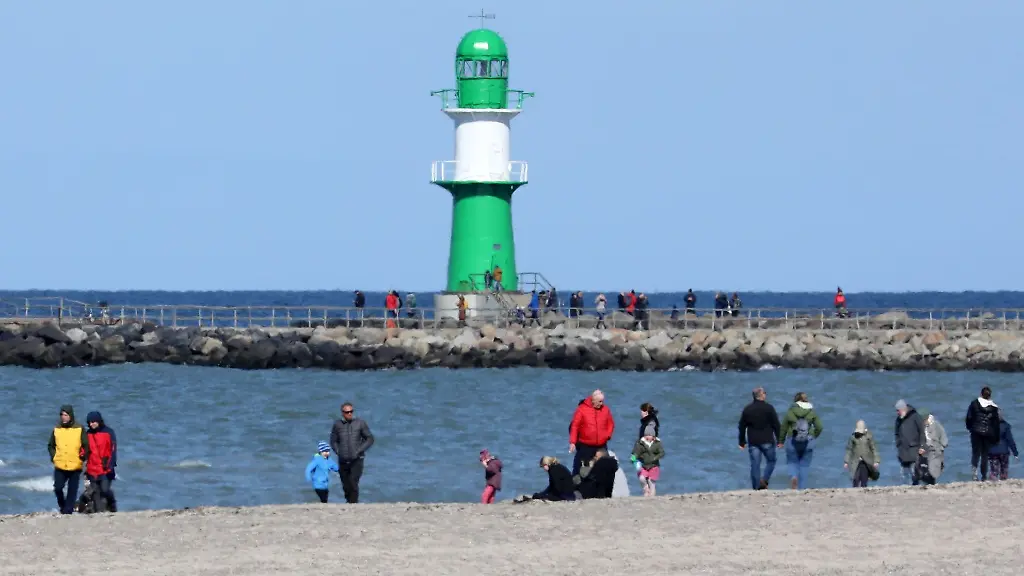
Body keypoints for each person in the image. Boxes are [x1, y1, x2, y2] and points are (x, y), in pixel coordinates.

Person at [329, 402, 375, 503]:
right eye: (347, 412)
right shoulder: (337, 425)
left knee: (353, 482)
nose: (349, 414)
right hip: (343, 459)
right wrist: (338, 451)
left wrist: (359, 450)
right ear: (342, 413)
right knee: (346, 484)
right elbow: (333, 441)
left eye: (351, 411)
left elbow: (370, 438)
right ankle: (349, 501)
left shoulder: (360, 423)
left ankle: (353, 504)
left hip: (357, 459)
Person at [47, 404, 89, 514]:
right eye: (62, 415)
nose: (63, 417)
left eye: (66, 415)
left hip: (75, 464)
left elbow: (86, 445)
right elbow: (50, 445)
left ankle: (68, 511)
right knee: (58, 488)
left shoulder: (79, 428)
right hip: (60, 464)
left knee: (72, 490)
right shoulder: (57, 429)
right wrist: (54, 457)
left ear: (70, 415)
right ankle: (63, 506)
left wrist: (83, 457)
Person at [738, 387, 781, 490]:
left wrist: (742, 441)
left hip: (753, 441)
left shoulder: (747, 409)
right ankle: (764, 479)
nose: (765, 394)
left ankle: (756, 487)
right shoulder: (769, 408)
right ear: (761, 395)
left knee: (755, 465)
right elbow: (776, 425)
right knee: (771, 461)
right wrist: (780, 439)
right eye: (765, 393)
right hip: (767, 440)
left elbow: (742, 426)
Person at [778, 392, 824, 490]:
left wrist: (780, 441)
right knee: (804, 465)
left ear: (796, 400)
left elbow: (783, 428)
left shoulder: (790, 411)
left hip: (792, 440)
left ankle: (794, 476)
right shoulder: (811, 412)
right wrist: (813, 436)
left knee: (792, 462)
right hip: (808, 441)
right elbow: (820, 427)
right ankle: (802, 488)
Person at [568, 390, 615, 476]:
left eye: (602, 401)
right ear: (593, 400)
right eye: (600, 401)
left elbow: (611, 424)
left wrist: (607, 435)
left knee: (605, 467)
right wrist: (573, 442)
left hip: (601, 445)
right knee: (580, 468)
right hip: (585, 445)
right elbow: (575, 426)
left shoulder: (605, 409)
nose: (601, 403)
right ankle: (575, 485)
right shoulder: (582, 409)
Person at [84, 411, 117, 512]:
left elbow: (113, 450)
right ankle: (99, 512)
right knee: (95, 492)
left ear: (99, 421)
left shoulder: (109, 432)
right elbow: (83, 450)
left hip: (105, 468)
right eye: (89, 422)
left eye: (93, 422)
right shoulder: (87, 434)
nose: (91, 424)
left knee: (105, 490)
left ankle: (112, 502)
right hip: (92, 468)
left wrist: (111, 464)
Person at [965, 386, 1000, 481]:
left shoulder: (974, 403)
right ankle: (984, 476)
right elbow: (996, 424)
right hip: (988, 433)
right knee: (985, 455)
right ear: (989, 396)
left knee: (975, 453)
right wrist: (996, 438)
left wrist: (970, 428)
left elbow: (969, 417)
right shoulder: (994, 407)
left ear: (981, 394)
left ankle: (974, 475)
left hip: (976, 431)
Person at [894, 399, 925, 485]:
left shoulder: (915, 416)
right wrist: (898, 444)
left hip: (914, 449)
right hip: (903, 451)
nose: (897, 413)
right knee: (904, 474)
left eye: (898, 410)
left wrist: (922, 446)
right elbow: (896, 433)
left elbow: (922, 431)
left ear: (903, 409)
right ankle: (906, 489)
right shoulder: (898, 420)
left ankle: (916, 487)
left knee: (914, 473)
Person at [631, 422, 664, 497]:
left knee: (651, 482)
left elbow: (662, 453)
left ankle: (652, 496)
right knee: (642, 478)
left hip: (654, 466)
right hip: (643, 465)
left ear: (653, 436)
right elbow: (637, 452)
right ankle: (645, 488)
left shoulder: (657, 443)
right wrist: (634, 457)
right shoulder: (641, 443)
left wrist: (655, 457)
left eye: (649, 435)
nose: (647, 437)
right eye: (646, 435)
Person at [844, 420, 879, 488]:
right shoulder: (853, 437)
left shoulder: (869, 436)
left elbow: (874, 448)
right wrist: (846, 461)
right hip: (855, 461)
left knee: (864, 479)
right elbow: (849, 449)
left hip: (866, 462)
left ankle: (863, 493)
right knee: (855, 479)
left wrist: (876, 461)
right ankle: (854, 492)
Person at [917, 409, 948, 485]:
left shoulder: (936, 425)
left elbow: (944, 438)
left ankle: (931, 483)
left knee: (932, 471)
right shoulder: (920, 427)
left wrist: (941, 447)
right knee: (923, 472)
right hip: (924, 452)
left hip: (935, 451)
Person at [988, 410, 1019, 481]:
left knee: (994, 470)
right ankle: (1003, 480)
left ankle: (994, 482)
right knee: (1004, 470)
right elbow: (1010, 440)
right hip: (1004, 451)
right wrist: (1015, 453)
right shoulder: (1005, 426)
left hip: (992, 452)